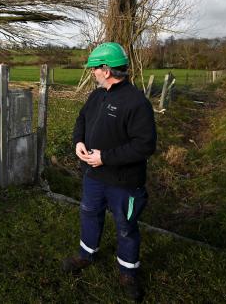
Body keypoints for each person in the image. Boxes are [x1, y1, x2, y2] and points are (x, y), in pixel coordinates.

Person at [62, 42, 157, 301]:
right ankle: (85, 255)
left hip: (124, 182)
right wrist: (79, 142)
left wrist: (105, 157)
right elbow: (81, 120)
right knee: (89, 214)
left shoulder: (136, 102)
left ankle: (128, 273)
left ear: (106, 69)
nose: (92, 72)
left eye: (94, 68)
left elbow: (145, 145)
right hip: (93, 178)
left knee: (126, 227)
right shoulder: (97, 96)